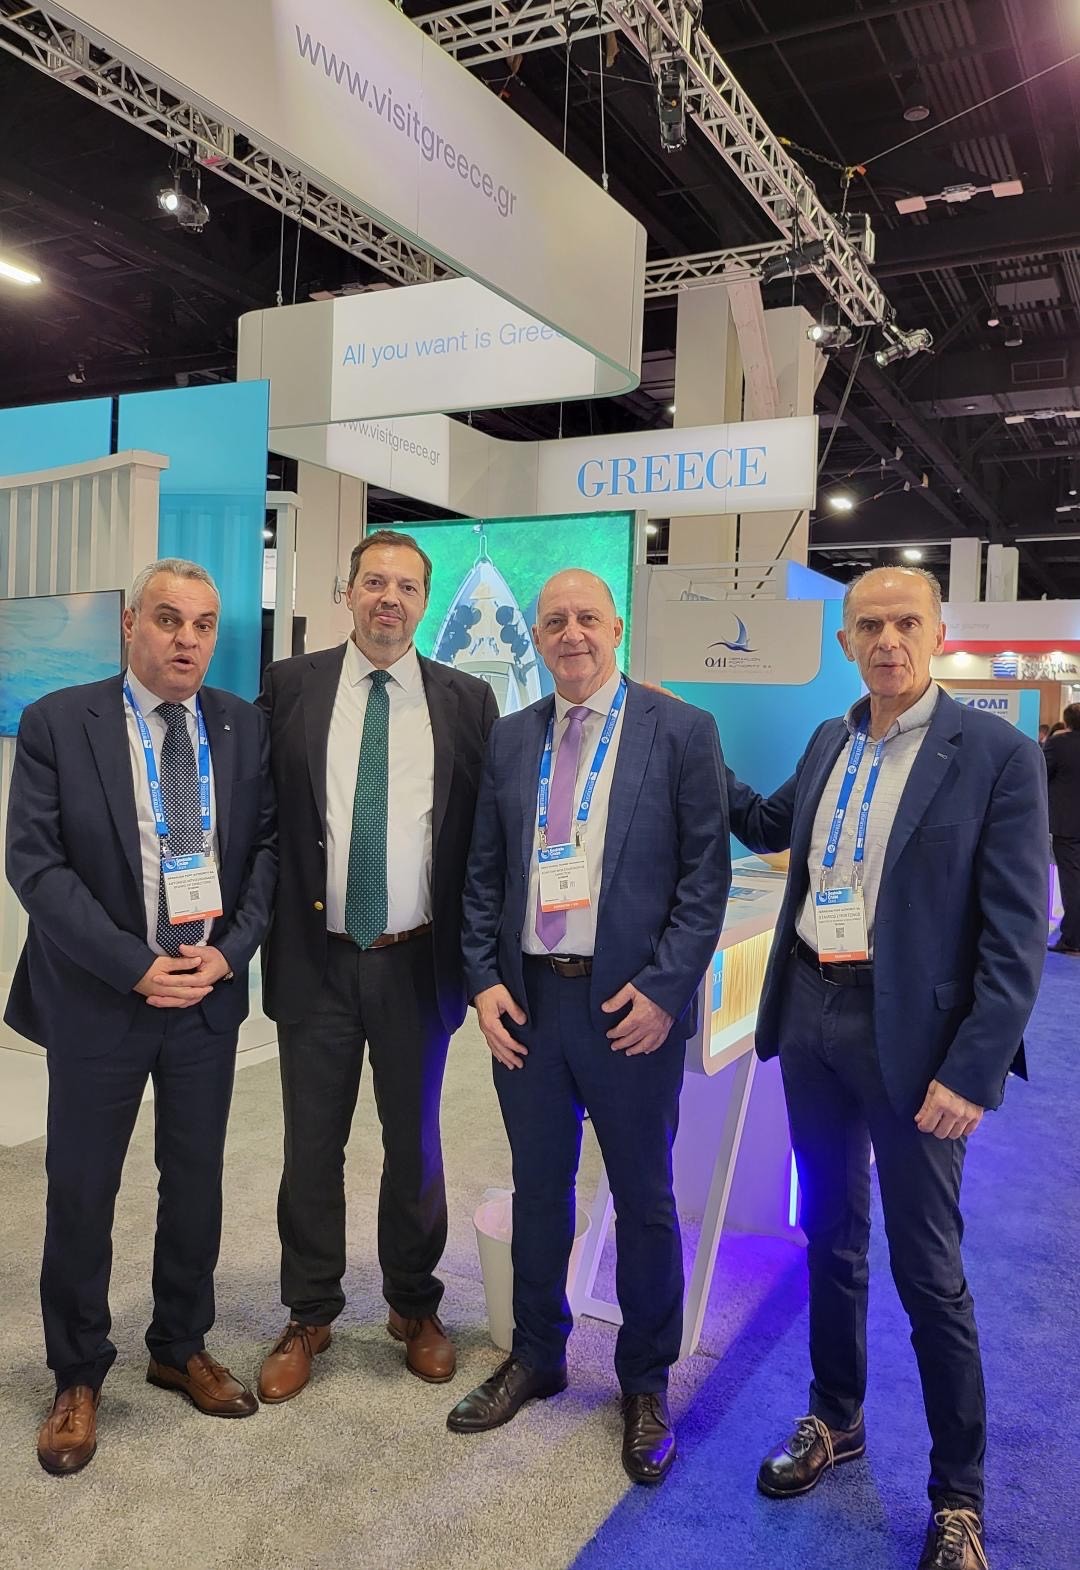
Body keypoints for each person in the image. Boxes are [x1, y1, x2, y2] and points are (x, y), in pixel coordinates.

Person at [726, 567, 1047, 1570]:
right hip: (812, 1014)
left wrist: (974, 1070)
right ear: (846, 642)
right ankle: (837, 1416)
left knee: (929, 1269)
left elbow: (1015, 936)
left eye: (907, 622)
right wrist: (689, 744)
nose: (887, 640)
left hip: (917, 1044)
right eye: (868, 625)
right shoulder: (831, 740)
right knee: (828, 1234)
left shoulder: (995, 755)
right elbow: (770, 827)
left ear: (939, 632)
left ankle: (958, 1498)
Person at [448, 568, 730, 1484]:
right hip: (529, 1002)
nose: (570, 633)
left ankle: (644, 1382)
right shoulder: (511, 736)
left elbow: (705, 880)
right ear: (537, 637)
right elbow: (483, 873)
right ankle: (537, 1354)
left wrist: (666, 991)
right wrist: (484, 982)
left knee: (645, 1199)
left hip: (629, 1009)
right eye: (554, 621)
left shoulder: (680, 730)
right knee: (539, 1188)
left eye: (586, 619)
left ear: (616, 630)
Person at [5, 559, 277, 1476]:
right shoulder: (58, 722)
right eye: (167, 619)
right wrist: (135, 966)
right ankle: (77, 1372)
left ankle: (179, 1345)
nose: (186, 640)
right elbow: (35, 865)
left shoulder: (242, 725)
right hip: (100, 997)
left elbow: (268, 851)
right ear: (130, 623)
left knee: (194, 1182)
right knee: (83, 1189)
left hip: (204, 994)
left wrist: (229, 952)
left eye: (202, 624)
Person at [255, 530, 497, 1401]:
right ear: (348, 591)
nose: (389, 597)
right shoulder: (290, 685)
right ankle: (310, 1310)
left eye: (406, 586)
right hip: (316, 958)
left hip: (414, 961)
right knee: (311, 1146)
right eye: (374, 582)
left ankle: (413, 1303)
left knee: (415, 1143)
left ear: (424, 601)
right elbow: (263, 816)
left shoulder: (468, 699)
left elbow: (485, 835)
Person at [1044, 702, 1080, 954]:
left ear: (1066, 722)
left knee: (1072, 882)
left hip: (1068, 825)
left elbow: (1041, 773)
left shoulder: (1059, 744)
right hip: (1069, 824)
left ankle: (1073, 939)